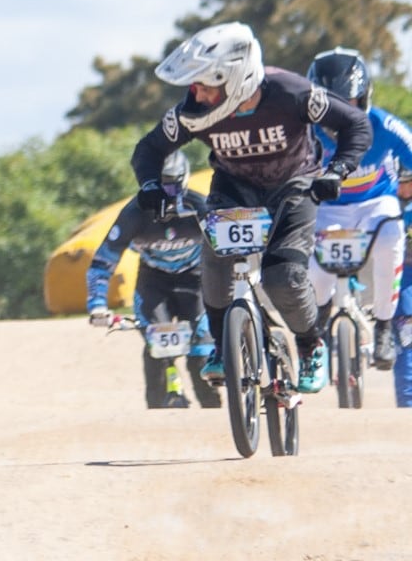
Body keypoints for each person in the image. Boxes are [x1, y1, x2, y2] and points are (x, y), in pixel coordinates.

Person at [130, 21, 372, 394]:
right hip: (235, 187)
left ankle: (310, 345)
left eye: (205, 85)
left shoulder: (292, 92)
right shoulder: (196, 112)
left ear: (236, 79)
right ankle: (220, 346)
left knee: (283, 278)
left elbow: (356, 124)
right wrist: (149, 185)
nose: (196, 94)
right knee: (215, 264)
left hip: (293, 186)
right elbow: (149, 148)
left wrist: (338, 170)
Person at [305, 47, 412, 372]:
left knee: (391, 235)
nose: (339, 115)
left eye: (348, 103)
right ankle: (318, 324)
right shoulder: (303, 131)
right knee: (319, 275)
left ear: (364, 98)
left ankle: (382, 326)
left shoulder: (386, 126)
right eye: (330, 106)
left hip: (375, 204)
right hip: (325, 209)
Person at [87, 152, 221, 409]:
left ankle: (215, 414)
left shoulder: (198, 206)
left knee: (201, 356)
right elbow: (102, 262)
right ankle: (157, 415)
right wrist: (97, 305)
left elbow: (226, 249)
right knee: (157, 347)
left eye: (170, 186)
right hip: (153, 282)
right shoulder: (134, 213)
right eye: (154, 186)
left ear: (184, 181)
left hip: (195, 280)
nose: (163, 195)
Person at [394, 171, 412, 406]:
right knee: (407, 341)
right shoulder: (388, 204)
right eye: (401, 184)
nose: (405, 189)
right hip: (404, 282)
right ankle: (407, 404)